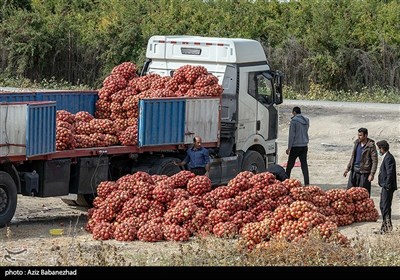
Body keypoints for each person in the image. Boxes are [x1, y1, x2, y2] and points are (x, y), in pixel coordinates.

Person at [343, 127, 378, 196]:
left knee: (362, 194)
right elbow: (353, 157)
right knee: (350, 193)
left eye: (360, 135)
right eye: (358, 135)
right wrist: (347, 169)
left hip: (364, 173)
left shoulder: (371, 146)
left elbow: (375, 161)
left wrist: (372, 174)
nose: (359, 137)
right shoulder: (357, 143)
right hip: (354, 171)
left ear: (366, 135)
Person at [375, 140, 397, 234]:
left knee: (385, 207)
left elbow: (390, 173)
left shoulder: (388, 158)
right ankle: (386, 226)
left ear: (382, 149)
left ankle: (386, 228)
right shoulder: (387, 157)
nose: (378, 151)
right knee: (383, 206)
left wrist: (387, 186)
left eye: (379, 149)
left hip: (387, 187)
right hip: (385, 186)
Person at [285, 106, 310, 186]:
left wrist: (289, 148)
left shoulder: (294, 121)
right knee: (304, 165)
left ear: (294, 112)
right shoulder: (306, 120)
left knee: (289, 165)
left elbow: (291, 135)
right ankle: (307, 183)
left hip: (295, 146)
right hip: (304, 146)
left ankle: (285, 181)